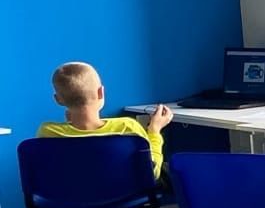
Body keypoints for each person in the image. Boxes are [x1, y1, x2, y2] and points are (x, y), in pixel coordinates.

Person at [39, 62, 170, 178]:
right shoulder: (127, 127)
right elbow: (152, 173)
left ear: (58, 100)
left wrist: (69, 124)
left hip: (70, 197)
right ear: (101, 92)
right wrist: (154, 131)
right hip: (124, 195)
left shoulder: (48, 132)